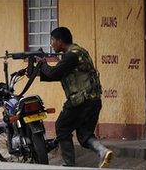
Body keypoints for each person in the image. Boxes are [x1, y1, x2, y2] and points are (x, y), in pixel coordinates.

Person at [37, 27, 113, 168]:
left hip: (81, 101)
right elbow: (59, 74)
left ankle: (68, 164)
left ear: (60, 41)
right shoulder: (80, 52)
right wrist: (40, 70)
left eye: (53, 40)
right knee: (84, 134)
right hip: (94, 100)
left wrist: (43, 64)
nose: (51, 44)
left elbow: (54, 73)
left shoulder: (72, 56)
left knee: (62, 127)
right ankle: (103, 151)